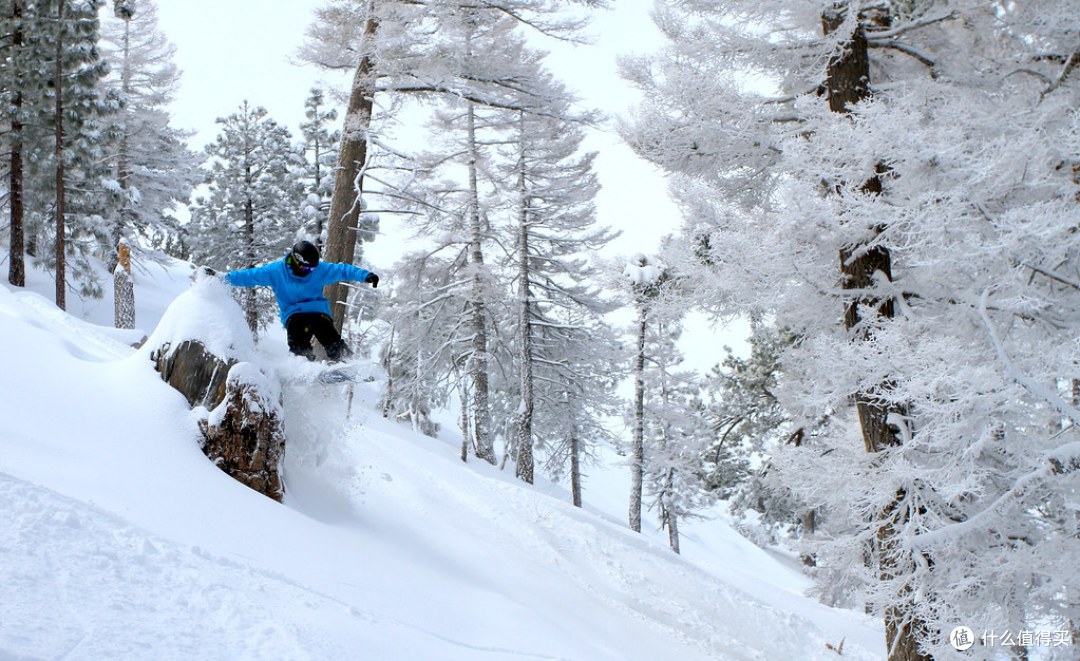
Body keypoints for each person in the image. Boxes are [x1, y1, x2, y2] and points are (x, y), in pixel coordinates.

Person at [219, 240, 379, 362]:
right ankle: (302, 363)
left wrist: (366, 275)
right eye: (308, 268)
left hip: (317, 311)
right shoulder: (276, 272)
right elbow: (249, 276)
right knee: (297, 333)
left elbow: (342, 270)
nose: (311, 272)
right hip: (294, 313)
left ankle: (347, 360)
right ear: (297, 263)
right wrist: (223, 278)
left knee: (325, 331)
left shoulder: (319, 270)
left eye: (313, 268)